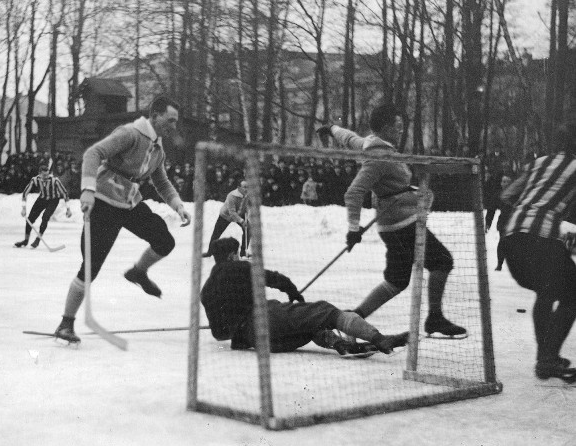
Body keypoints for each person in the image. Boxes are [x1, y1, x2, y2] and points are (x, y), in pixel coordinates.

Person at [318, 102, 466, 338]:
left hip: (396, 224)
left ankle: (353, 317)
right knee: (442, 261)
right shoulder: (379, 156)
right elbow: (354, 192)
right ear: (386, 127)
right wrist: (353, 228)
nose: (400, 130)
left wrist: (331, 129)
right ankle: (435, 319)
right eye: (397, 126)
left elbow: (349, 138)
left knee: (397, 281)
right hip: (402, 225)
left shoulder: (370, 144)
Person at [53, 96, 192, 343]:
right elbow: (93, 153)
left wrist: (177, 205)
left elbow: (161, 181)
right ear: (155, 115)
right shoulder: (130, 133)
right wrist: (87, 190)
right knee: (91, 266)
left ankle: (138, 272)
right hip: (105, 202)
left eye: (175, 121)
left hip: (129, 202)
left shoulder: (158, 147)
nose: (173, 125)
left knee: (164, 241)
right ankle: (66, 323)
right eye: (170, 120)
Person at [200, 237, 409, 356]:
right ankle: (380, 338)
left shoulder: (206, 290)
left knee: (308, 325)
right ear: (230, 256)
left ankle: (341, 345)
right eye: (237, 253)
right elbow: (274, 278)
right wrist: (294, 293)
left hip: (256, 340)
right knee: (326, 311)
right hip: (265, 318)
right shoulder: (239, 267)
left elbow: (219, 334)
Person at [500, 121, 576, 383]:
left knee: (549, 290)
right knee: (570, 291)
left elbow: (507, 195)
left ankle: (547, 358)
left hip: (512, 238)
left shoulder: (538, 163)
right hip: (541, 238)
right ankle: (547, 358)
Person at [15, 160, 72, 248]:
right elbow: (25, 193)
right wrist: (23, 208)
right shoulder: (35, 179)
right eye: (44, 175)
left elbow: (65, 194)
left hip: (53, 200)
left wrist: (68, 209)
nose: (46, 177)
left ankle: (38, 239)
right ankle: (25, 240)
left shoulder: (54, 180)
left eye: (47, 174)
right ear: (39, 174)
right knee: (30, 219)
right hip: (42, 199)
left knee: (45, 217)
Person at [202, 180, 251, 258]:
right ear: (239, 188)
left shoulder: (248, 195)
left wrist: (246, 216)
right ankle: (209, 252)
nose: (246, 189)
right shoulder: (231, 196)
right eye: (244, 187)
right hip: (226, 215)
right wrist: (242, 221)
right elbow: (232, 212)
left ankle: (243, 252)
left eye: (248, 187)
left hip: (238, 214)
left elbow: (247, 206)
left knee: (248, 229)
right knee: (216, 233)